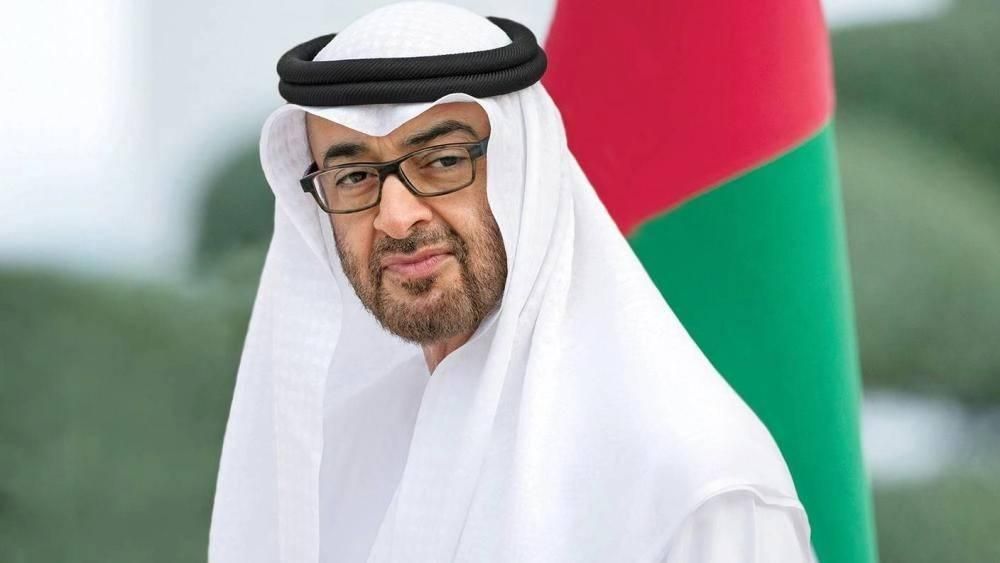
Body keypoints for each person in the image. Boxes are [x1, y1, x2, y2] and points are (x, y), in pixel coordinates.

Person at [209, 2, 818, 562]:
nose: (395, 216)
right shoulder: (338, 450)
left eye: (444, 161)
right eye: (354, 177)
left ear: (524, 173)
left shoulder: (692, 481)